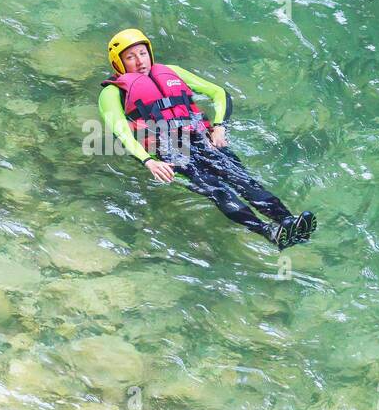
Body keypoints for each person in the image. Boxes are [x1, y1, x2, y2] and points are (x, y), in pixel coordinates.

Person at [98, 28, 317, 250]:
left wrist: (219, 126)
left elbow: (218, 93)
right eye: (130, 57)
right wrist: (149, 161)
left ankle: (288, 221)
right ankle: (268, 232)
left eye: (142, 53)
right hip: (169, 151)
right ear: (119, 63)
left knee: (241, 179)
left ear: (150, 53)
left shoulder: (171, 71)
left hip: (203, 138)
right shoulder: (112, 93)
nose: (139, 61)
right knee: (217, 189)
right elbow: (121, 133)